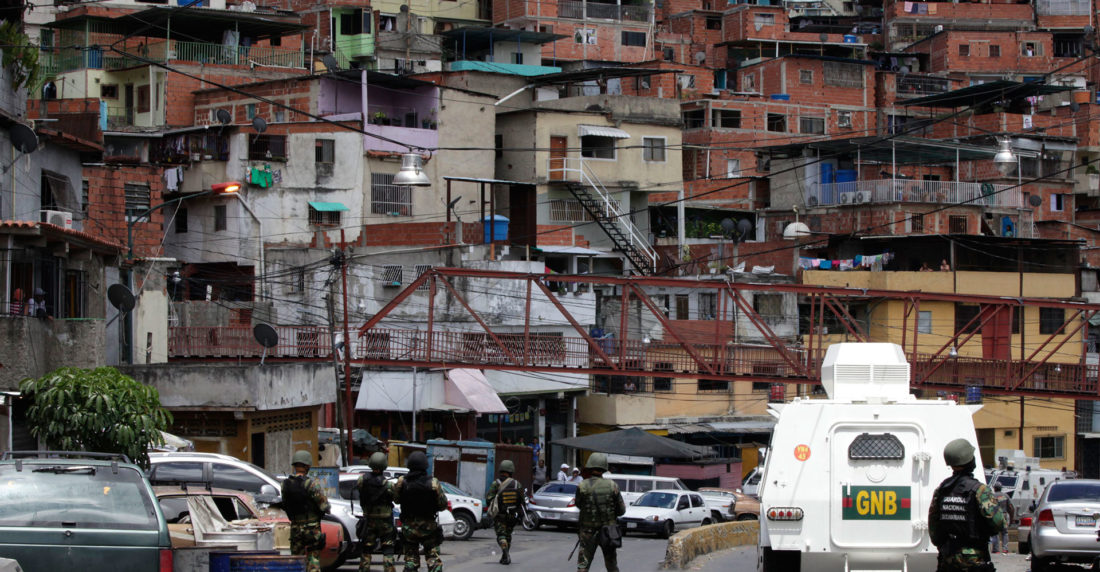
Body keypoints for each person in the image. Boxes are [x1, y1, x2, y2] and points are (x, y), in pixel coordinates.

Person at [929, 439, 1005, 571]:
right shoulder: (980, 490)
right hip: (974, 560)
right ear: (970, 460)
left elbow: (934, 530)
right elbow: (998, 523)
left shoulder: (941, 490)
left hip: (947, 559)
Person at [393, 451, 447, 572]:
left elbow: (396, 500)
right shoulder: (433, 482)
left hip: (409, 527)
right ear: (425, 466)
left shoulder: (402, 481)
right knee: (433, 558)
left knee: (411, 559)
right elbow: (443, 505)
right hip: (428, 527)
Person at [574, 453, 626, 572]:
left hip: (587, 532)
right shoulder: (613, 486)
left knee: (583, 566)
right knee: (611, 565)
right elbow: (621, 511)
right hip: (608, 532)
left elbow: (578, 504)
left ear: (590, 467)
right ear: (604, 468)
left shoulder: (582, 486)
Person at [281, 450, 330, 572]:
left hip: (296, 527)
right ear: (307, 466)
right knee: (313, 557)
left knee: (296, 559)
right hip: (312, 527)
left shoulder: (285, 484)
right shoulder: (311, 484)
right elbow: (324, 505)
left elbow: (285, 504)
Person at [357, 452, 397, 572]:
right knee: (388, 549)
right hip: (385, 520)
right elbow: (395, 498)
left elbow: (361, 492)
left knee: (366, 549)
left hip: (369, 519)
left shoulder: (361, 480)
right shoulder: (388, 484)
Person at [486, 460, 524, 565]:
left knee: (501, 536)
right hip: (512, 515)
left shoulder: (496, 483)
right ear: (511, 471)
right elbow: (522, 501)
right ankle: (505, 556)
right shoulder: (517, 484)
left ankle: (505, 553)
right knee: (508, 535)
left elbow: (489, 499)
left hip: (500, 515)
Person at [989, 483, 1014, 555]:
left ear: (994, 488)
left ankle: (996, 549)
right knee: (1005, 532)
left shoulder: (992, 496)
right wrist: (1011, 518)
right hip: (1004, 514)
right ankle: (1005, 549)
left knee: (995, 532)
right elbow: (1011, 508)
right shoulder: (1006, 496)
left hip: (995, 515)